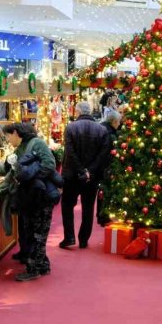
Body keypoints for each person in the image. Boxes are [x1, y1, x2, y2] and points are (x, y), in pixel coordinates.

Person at [0, 123, 60, 281]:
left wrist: (28, 177)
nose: (7, 139)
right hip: (30, 197)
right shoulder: (19, 149)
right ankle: (41, 265)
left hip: (39, 197)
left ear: (15, 133)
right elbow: (6, 170)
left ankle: (34, 268)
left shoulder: (36, 143)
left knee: (36, 234)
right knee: (34, 233)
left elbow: (49, 164)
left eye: (7, 136)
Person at [60, 101, 111, 249]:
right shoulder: (102, 130)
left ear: (77, 112)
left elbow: (70, 152)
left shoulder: (71, 127)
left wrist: (82, 170)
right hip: (92, 176)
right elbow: (103, 154)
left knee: (67, 206)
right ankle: (83, 239)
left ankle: (69, 237)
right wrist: (89, 170)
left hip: (71, 175)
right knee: (88, 208)